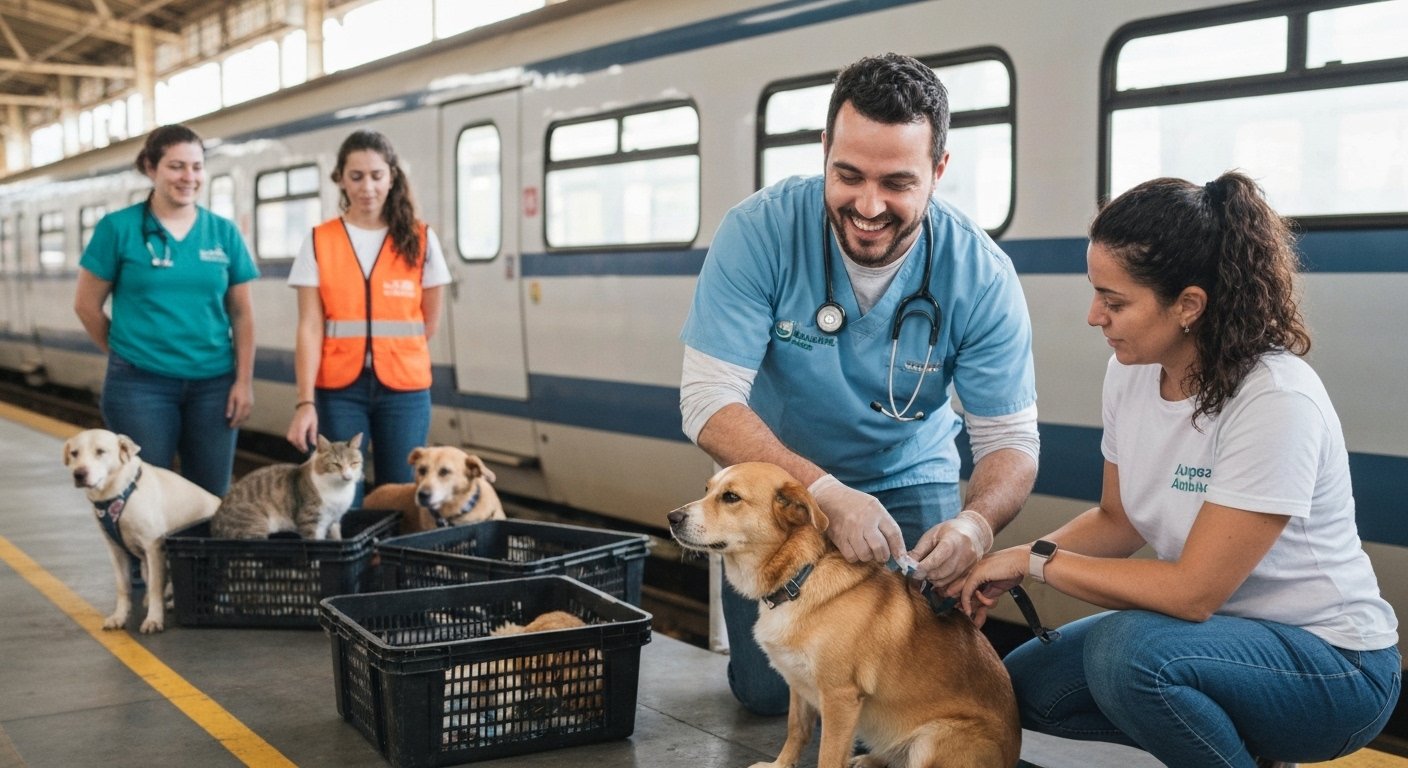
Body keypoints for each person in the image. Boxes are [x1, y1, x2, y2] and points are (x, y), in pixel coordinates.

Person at [955, 171, 1401, 767]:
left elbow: (1193, 594)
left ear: (1189, 305)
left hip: (1335, 667)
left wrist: (1033, 559)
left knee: (1129, 655)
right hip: (1213, 646)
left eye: (1114, 301)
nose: (1094, 316)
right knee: (1026, 686)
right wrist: (1015, 567)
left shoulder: (1274, 399)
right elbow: (1119, 520)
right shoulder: (1131, 370)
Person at [679, 52, 1039, 715]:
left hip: (910, 476)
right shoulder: (758, 232)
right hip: (781, 490)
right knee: (770, 691)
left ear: (938, 172)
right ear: (823, 150)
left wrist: (976, 526)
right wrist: (823, 492)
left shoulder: (980, 273)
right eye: (847, 176)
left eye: (897, 183)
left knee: (915, 680)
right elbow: (706, 402)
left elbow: (1009, 438)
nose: (868, 206)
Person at [74, 123, 257, 498]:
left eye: (196, 166)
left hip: (214, 385)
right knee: (143, 497)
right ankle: (148, 561)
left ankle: (199, 561)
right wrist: (124, 352)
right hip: (140, 388)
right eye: (176, 166)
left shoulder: (223, 233)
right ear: (150, 168)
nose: (188, 177)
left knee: (208, 498)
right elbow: (87, 306)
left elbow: (242, 315)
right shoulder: (118, 229)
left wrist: (243, 381)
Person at [285, 129, 450, 492]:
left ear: (392, 177)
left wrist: (395, 356)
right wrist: (305, 401)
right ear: (340, 180)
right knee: (339, 495)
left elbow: (429, 322)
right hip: (339, 389)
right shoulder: (319, 240)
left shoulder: (421, 239)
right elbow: (309, 327)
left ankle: (392, 553)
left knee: (403, 493)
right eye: (356, 177)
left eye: (377, 176)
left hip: (404, 390)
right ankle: (351, 552)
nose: (367, 187)